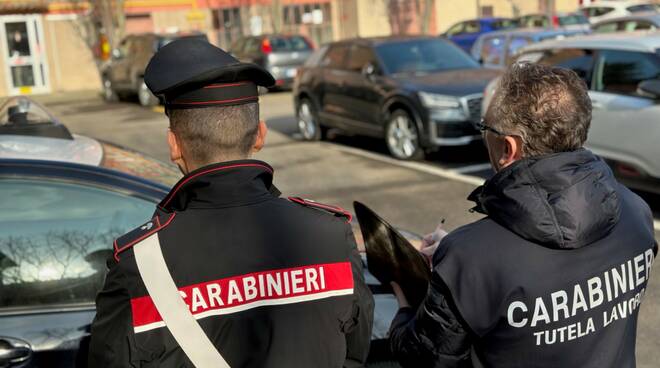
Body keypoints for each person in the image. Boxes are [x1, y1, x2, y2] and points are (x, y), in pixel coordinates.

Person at [88, 39, 374, 368]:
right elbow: (355, 352)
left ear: (174, 144)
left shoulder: (137, 263)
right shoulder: (332, 235)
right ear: (260, 135)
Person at [388, 62, 657, 368]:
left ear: (507, 148)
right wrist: (461, 265)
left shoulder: (471, 258)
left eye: (483, 129)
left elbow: (424, 356)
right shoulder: (635, 213)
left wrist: (406, 305)